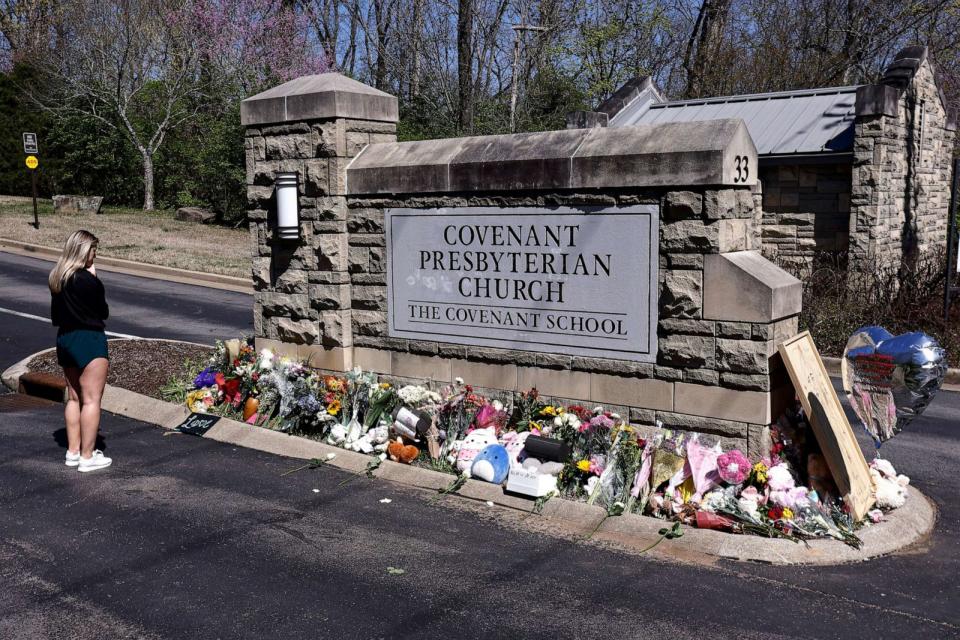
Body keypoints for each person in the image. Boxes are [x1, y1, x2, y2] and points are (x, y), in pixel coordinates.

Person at [49, 230, 112, 472]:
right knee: (92, 400)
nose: (95, 257)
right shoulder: (86, 279)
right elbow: (102, 311)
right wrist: (96, 279)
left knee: (74, 397)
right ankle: (88, 456)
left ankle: (73, 451)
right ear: (85, 251)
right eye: (94, 252)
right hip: (88, 338)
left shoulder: (58, 277)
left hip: (65, 338)